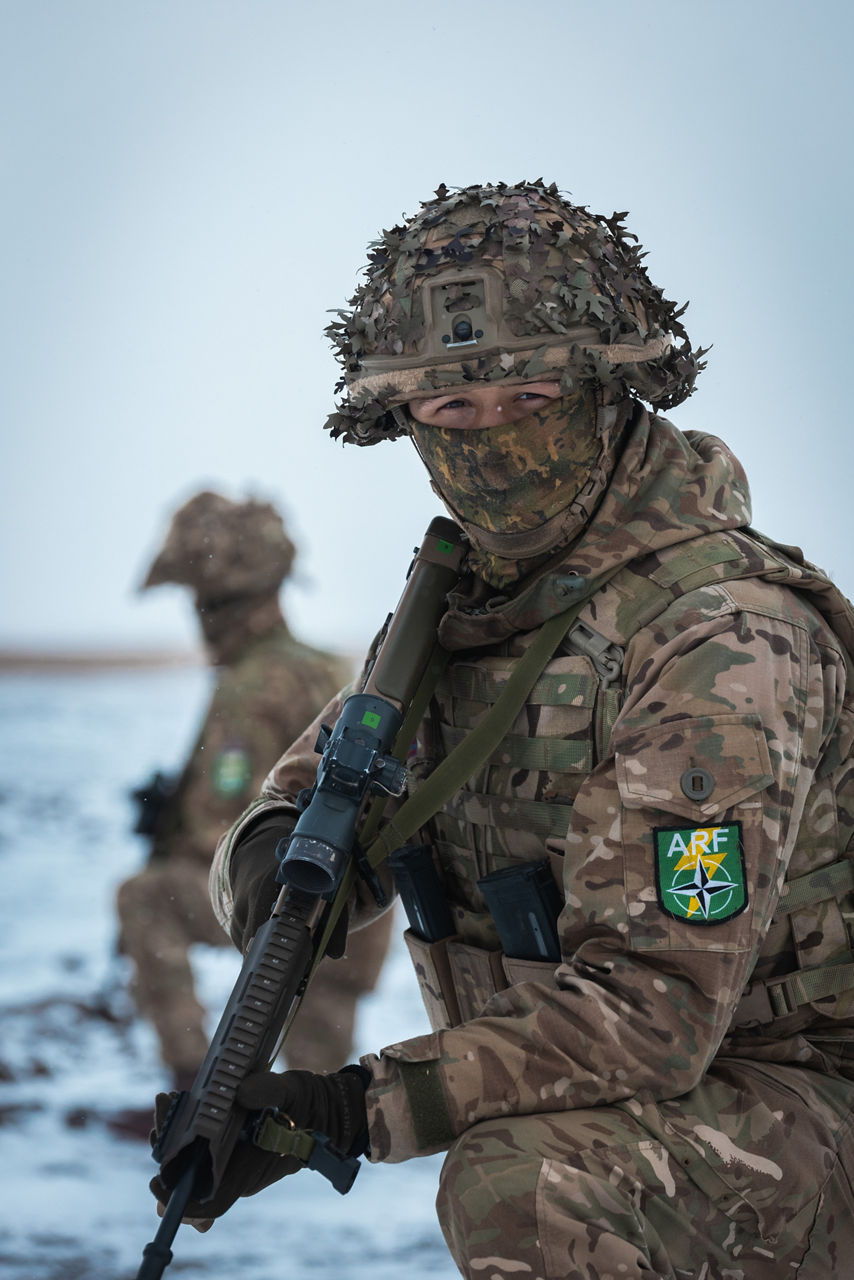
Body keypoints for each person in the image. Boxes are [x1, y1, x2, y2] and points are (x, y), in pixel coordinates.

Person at [159, 184, 854, 1277]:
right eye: (451, 414)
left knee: (521, 1184)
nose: (495, 441)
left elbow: (653, 1010)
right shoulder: (468, 609)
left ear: (609, 388)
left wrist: (349, 1108)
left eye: (528, 393)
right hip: (636, 1107)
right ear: (400, 420)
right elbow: (301, 798)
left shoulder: (722, 636)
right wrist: (269, 870)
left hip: (796, 1099)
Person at [115, 491, 394, 1130]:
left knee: (145, 896)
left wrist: (178, 825)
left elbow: (225, 827)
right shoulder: (330, 668)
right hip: (360, 916)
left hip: (288, 910)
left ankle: (190, 1085)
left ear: (214, 606)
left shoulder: (248, 686)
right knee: (311, 1108)